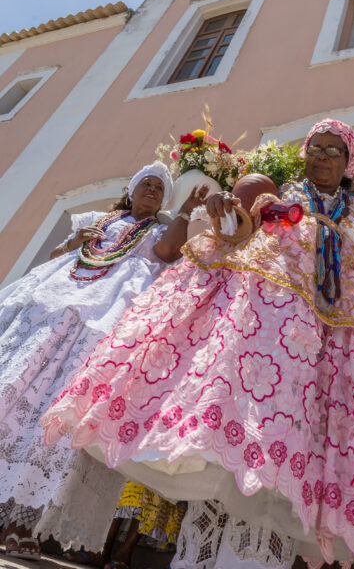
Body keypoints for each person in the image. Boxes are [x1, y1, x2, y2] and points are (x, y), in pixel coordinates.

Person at [42, 120, 354, 567]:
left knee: (301, 437)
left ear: (349, 164)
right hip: (272, 329)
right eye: (316, 148)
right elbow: (240, 235)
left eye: (335, 151)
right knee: (253, 427)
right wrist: (224, 213)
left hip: (334, 338)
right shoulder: (282, 194)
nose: (323, 157)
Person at [0, 161, 205, 560]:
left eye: (159, 189)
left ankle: (21, 523)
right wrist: (77, 240)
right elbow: (56, 255)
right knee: (15, 389)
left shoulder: (161, 231)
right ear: (130, 190)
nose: (151, 191)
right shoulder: (96, 221)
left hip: (104, 326)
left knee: (58, 413)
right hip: (54, 310)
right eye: (145, 184)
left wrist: (183, 213)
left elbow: (167, 253)